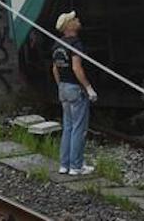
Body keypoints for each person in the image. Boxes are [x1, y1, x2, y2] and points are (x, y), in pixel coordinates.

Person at [51, 10, 97, 176]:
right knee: (79, 128)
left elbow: (55, 69)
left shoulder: (57, 45)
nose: (77, 20)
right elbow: (76, 68)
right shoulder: (76, 44)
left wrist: (60, 87)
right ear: (69, 26)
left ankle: (64, 165)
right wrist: (88, 88)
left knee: (68, 127)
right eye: (74, 19)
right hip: (75, 89)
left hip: (63, 88)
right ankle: (76, 166)